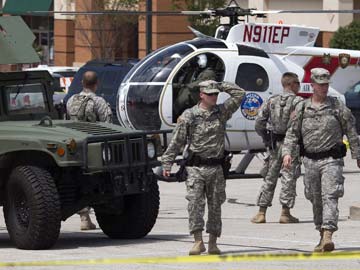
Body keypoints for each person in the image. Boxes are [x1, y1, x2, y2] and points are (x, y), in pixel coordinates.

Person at [161, 80, 245, 255]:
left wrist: (220, 85)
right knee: (195, 205)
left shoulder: (221, 112)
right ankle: (198, 241)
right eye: (210, 94)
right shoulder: (189, 116)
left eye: (216, 94)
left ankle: (213, 242)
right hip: (195, 168)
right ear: (201, 95)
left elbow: (240, 94)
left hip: (216, 168)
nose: (214, 96)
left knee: (215, 206)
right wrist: (167, 162)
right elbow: (177, 141)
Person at [282, 68, 360, 252]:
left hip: (331, 160)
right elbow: (292, 134)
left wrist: (357, 155)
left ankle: (328, 233)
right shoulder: (302, 107)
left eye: (326, 84)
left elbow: (351, 131)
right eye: (321, 84)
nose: (324, 88)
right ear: (313, 85)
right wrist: (287, 153)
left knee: (330, 196)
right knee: (314, 198)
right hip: (309, 161)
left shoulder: (337, 107)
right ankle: (321, 231)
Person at [251, 72, 303, 224]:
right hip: (291, 144)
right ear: (292, 84)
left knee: (270, 177)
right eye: (297, 83)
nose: (299, 86)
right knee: (288, 177)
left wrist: (266, 137)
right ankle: (285, 213)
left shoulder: (271, 100)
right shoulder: (298, 102)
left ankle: (261, 212)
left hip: (274, 144)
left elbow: (259, 122)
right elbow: (299, 125)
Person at [67, 71, 112, 230]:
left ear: (82, 83)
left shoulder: (71, 100)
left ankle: (84, 218)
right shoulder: (98, 101)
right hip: (95, 147)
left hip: (76, 147)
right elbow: (108, 125)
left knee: (78, 180)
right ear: (96, 84)